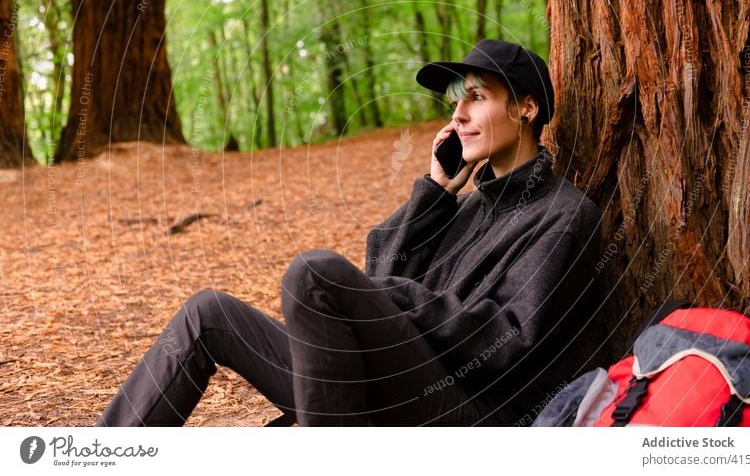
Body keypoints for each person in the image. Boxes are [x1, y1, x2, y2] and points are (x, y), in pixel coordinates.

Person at [96, 39, 602, 427]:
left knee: (315, 273)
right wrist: (434, 193)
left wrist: (397, 296)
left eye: (477, 97)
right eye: (455, 100)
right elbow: (379, 280)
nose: (458, 114)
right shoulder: (466, 208)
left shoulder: (563, 215)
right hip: (379, 388)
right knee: (209, 312)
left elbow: (511, 342)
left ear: (526, 108)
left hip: (466, 415)